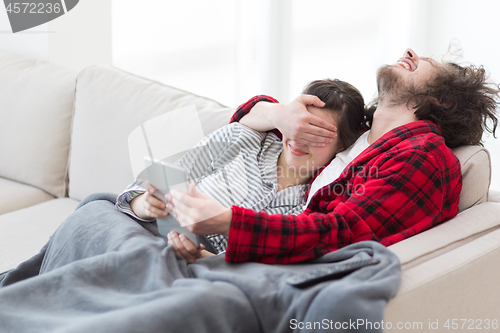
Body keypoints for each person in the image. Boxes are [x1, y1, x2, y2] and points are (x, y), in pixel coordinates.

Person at [167, 48, 499, 264]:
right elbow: (247, 127)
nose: (410, 51)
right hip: (226, 253)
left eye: (425, 62)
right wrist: (277, 113)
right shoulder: (357, 138)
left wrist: (229, 223)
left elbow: (342, 233)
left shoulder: (422, 156)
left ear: (442, 100)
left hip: (277, 273)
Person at [116, 79, 366, 262]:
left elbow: (260, 268)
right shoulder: (243, 138)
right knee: (94, 215)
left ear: (342, 145)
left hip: (187, 267)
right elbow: (144, 188)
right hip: (142, 231)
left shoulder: (312, 206)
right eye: (299, 125)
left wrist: (201, 257)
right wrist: (146, 206)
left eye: (316, 133)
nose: (299, 139)